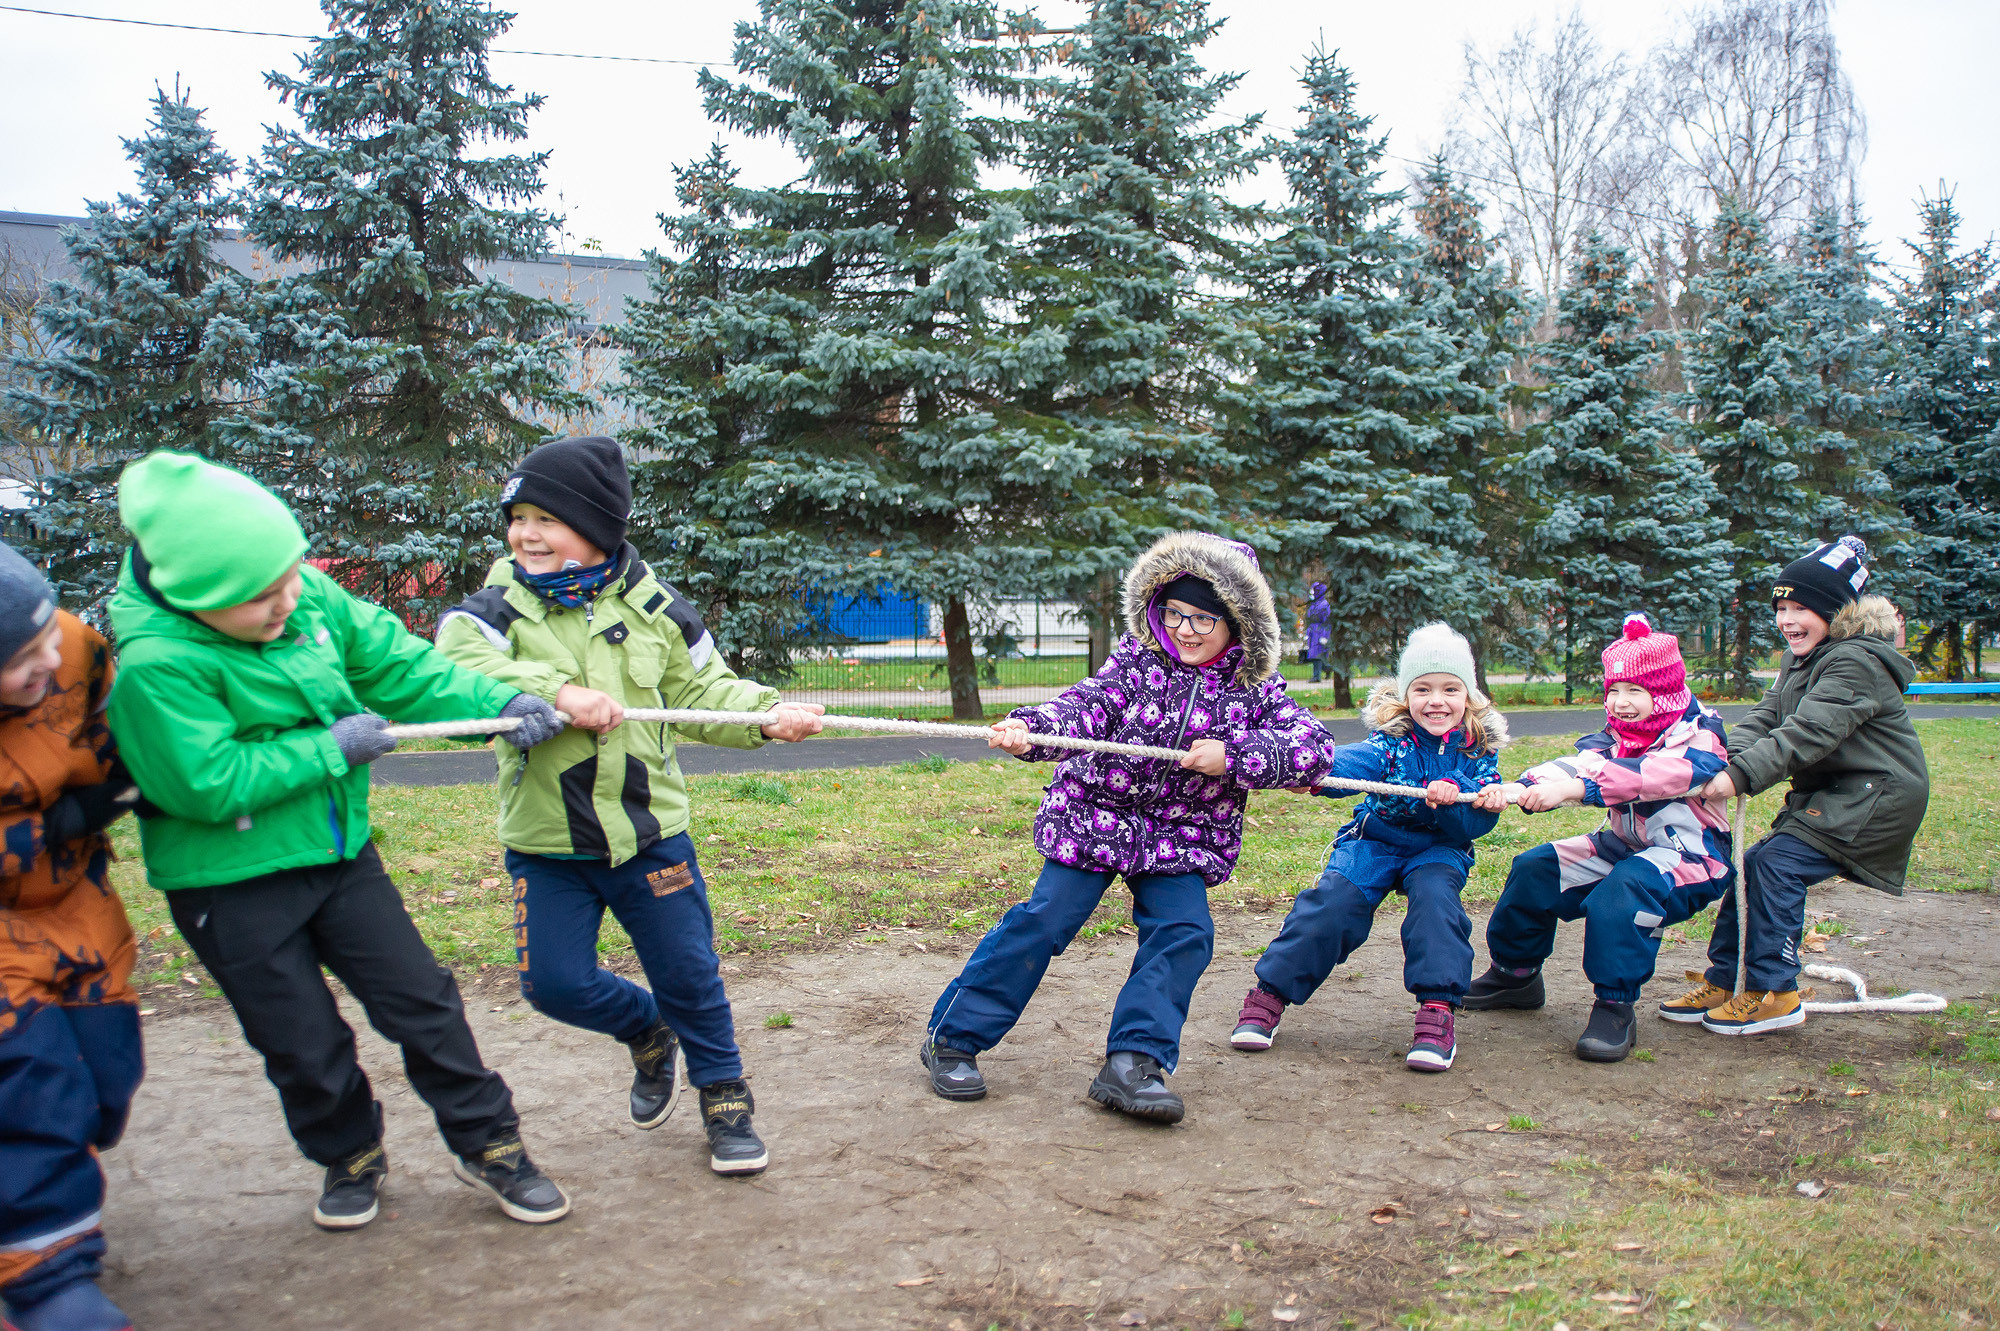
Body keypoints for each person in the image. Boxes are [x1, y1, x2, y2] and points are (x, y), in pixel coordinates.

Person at [106, 451, 573, 1232]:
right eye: (264, 598)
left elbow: (397, 664)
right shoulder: (158, 665)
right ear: (200, 598)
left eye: (293, 577)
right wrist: (330, 749)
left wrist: (504, 697)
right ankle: (347, 1152)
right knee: (301, 1039)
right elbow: (202, 781)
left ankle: (491, 1142)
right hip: (230, 881)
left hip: (338, 855)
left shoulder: (305, 592)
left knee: (424, 1002)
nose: (290, 599)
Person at [436, 435, 823, 1177]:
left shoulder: (656, 607)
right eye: (517, 517)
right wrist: (551, 693)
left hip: (652, 838)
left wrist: (767, 713)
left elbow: (707, 692)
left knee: (690, 976)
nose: (525, 533)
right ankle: (647, 1031)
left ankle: (724, 1094)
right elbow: (455, 669)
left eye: (545, 517)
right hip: (547, 844)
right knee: (554, 983)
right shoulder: (489, 613)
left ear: (598, 526)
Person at [920, 532, 1336, 1123]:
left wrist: (1235, 755)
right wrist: (1032, 727)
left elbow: (1314, 750)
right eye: (1175, 613)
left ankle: (1133, 1062)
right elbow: (1084, 704)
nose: (1186, 630)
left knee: (1185, 932)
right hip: (1096, 813)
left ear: (1238, 622)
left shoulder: (1258, 691)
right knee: (1045, 919)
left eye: (1204, 618)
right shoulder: (1136, 665)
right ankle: (954, 1037)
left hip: (1182, 835)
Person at [1676, 537, 1930, 1035]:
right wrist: (1706, 757)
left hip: (1876, 798)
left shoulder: (1854, 662)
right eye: (1781, 608)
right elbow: (1765, 719)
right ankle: (1728, 980)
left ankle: (1776, 992)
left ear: (1837, 611)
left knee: (1774, 865)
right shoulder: (1805, 658)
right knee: (1752, 866)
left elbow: (1806, 732)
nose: (1787, 619)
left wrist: (1737, 777)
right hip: (1840, 793)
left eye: (1802, 608)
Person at [1231, 623, 1506, 1072]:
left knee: (1437, 904)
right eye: (1423, 689)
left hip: (1439, 848)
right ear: (1405, 695)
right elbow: (1355, 762)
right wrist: (1312, 772)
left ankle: (1437, 1011)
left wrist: (1463, 793)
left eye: (1450, 689)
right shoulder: (1392, 742)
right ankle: (1269, 994)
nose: (1436, 700)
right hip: (1376, 839)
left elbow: (1474, 823)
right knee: (1332, 905)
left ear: (1469, 695)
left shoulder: (1479, 752)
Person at [1463, 614, 1734, 1062]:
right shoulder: (1622, 733)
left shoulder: (1700, 737)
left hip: (1690, 857)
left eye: (1636, 692)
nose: (1621, 702)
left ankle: (1614, 1005)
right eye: (1614, 691)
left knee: (1623, 891)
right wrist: (1523, 784)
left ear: (1663, 692)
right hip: (1624, 845)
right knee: (1536, 869)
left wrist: (1576, 790)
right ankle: (1516, 975)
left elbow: (1654, 777)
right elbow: (1584, 762)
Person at [0, 542, 142, 1331]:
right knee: (31, 1085)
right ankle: (48, 1276)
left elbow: (128, 735)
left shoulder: (69, 647)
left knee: (102, 1077)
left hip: (73, 903)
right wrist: (30, 832)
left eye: (47, 637)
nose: (49, 660)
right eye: (23, 660)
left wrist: (124, 787)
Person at [1303, 582, 1331, 684]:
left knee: (1317, 654)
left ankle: (1316, 676)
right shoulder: (1314, 603)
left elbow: (1326, 621)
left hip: (1320, 632)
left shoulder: (1324, 604)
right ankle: (1328, 668)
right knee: (1314, 654)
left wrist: (1325, 635)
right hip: (1313, 632)